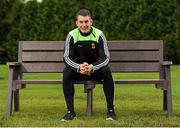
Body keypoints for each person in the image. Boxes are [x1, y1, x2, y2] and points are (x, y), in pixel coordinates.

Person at [61, 9, 116, 121]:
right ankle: (70, 112)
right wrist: (79, 67)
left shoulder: (99, 34)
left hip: (95, 71)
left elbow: (105, 58)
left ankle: (111, 111)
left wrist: (92, 67)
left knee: (106, 70)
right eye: (81, 22)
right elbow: (67, 57)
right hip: (79, 71)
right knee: (66, 72)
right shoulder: (71, 35)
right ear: (77, 23)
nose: (84, 25)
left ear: (91, 21)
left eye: (86, 21)